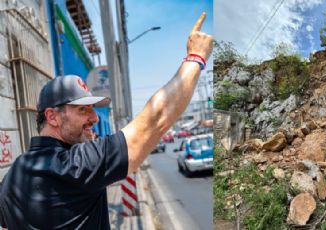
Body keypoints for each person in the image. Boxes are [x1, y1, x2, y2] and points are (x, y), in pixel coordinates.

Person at [0, 12, 213, 230]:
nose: (93, 118)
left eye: (93, 109)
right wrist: (196, 58)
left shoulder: (11, 179)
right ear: (52, 116)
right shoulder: (78, 164)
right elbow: (156, 119)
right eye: (83, 109)